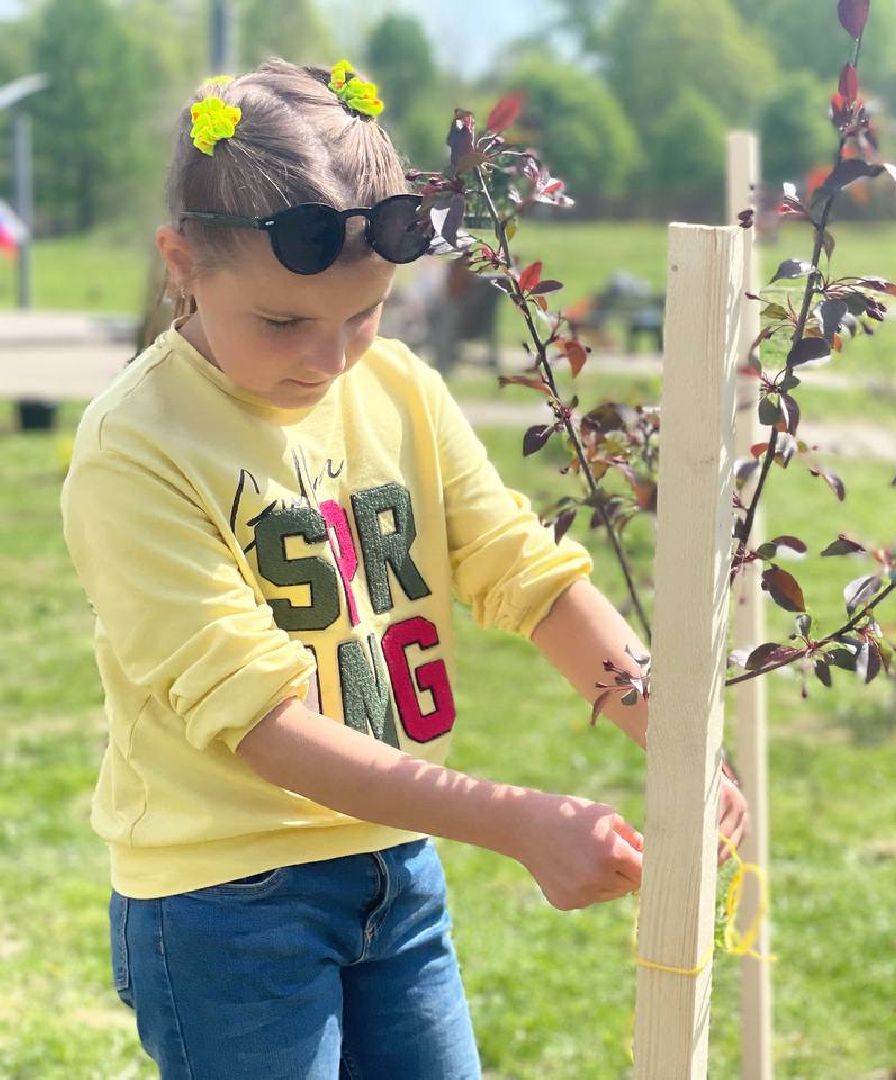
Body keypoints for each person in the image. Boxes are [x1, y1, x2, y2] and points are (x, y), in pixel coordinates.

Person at [60, 59, 747, 1079]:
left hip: (395, 867)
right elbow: (260, 723)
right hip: (225, 908)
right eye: (285, 323)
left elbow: (526, 572)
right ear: (179, 262)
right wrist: (514, 820)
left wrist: (671, 732)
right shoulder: (136, 449)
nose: (332, 358)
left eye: (365, 312)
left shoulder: (399, 387)